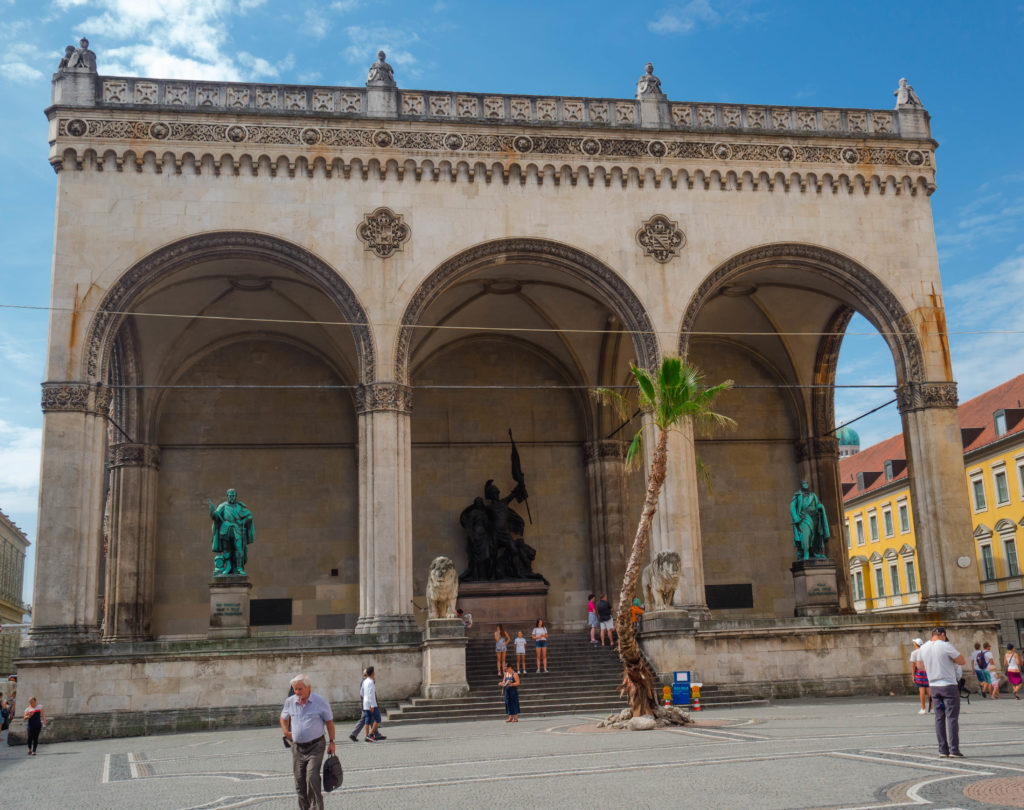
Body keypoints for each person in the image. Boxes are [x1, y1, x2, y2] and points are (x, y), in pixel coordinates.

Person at [280, 674, 335, 810]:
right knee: (299, 781)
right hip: (297, 748)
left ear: (308, 687)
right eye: (295, 689)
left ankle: (316, 807)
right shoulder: (290, 701)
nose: (297, 692)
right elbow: (283, 717)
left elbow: (329, 722)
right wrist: (285, 731)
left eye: (300, 689)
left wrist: (332, 742)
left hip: (316, 746)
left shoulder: (320, 701)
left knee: (311, 777)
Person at [918, 626, 966, 758]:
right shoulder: (945, 645)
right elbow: (962, 661)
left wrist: (931, 668)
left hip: (933, 685)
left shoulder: (923, 647)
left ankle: (942, 750)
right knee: (952, 718)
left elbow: (919, 666)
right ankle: (954, 749)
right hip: (948, 684)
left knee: (939, 718)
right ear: (943, 634)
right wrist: (949, 662)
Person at [360, 666, 385, 741]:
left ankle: (366, 736)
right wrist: (371, 705)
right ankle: (371, 734)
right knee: (377, 719)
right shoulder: (371, 682)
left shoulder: (364, 681)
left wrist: (365, 699)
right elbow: (371, 694)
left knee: (367, 720)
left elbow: (361, 692)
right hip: (372, 704)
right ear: (372, 673)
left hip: (365, 703)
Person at [910, 637, 930, 714]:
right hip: (927, 671)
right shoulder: (926, 652)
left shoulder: (914, 653)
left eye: (914, 642)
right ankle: (931, 707)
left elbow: (912, 665)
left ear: (916, 644)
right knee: (929, 690)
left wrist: (913, 675)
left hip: (919, 671)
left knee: (921, 690)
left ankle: (923, 708)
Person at [348, 669, 367, 741]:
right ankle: (353, 734)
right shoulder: (365, 682)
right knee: (365, 719)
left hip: (366, 704)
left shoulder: (367, 682)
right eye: (364, 675)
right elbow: (363, 694)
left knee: (369, 719)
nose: (365, 676)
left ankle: (375, 733)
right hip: (366, 705)